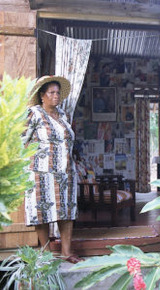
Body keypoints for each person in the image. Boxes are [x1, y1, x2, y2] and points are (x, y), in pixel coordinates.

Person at [23, 75, 84, 264]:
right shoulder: (34, 113)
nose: (56, 96)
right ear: (43, 95)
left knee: (66, 212)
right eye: (52, 92)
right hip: (41, 173)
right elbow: (21, 141)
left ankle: (66, 251)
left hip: (65, 172)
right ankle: (46, 253)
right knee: (42, 213)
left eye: (58, 92)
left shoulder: (63, 115)